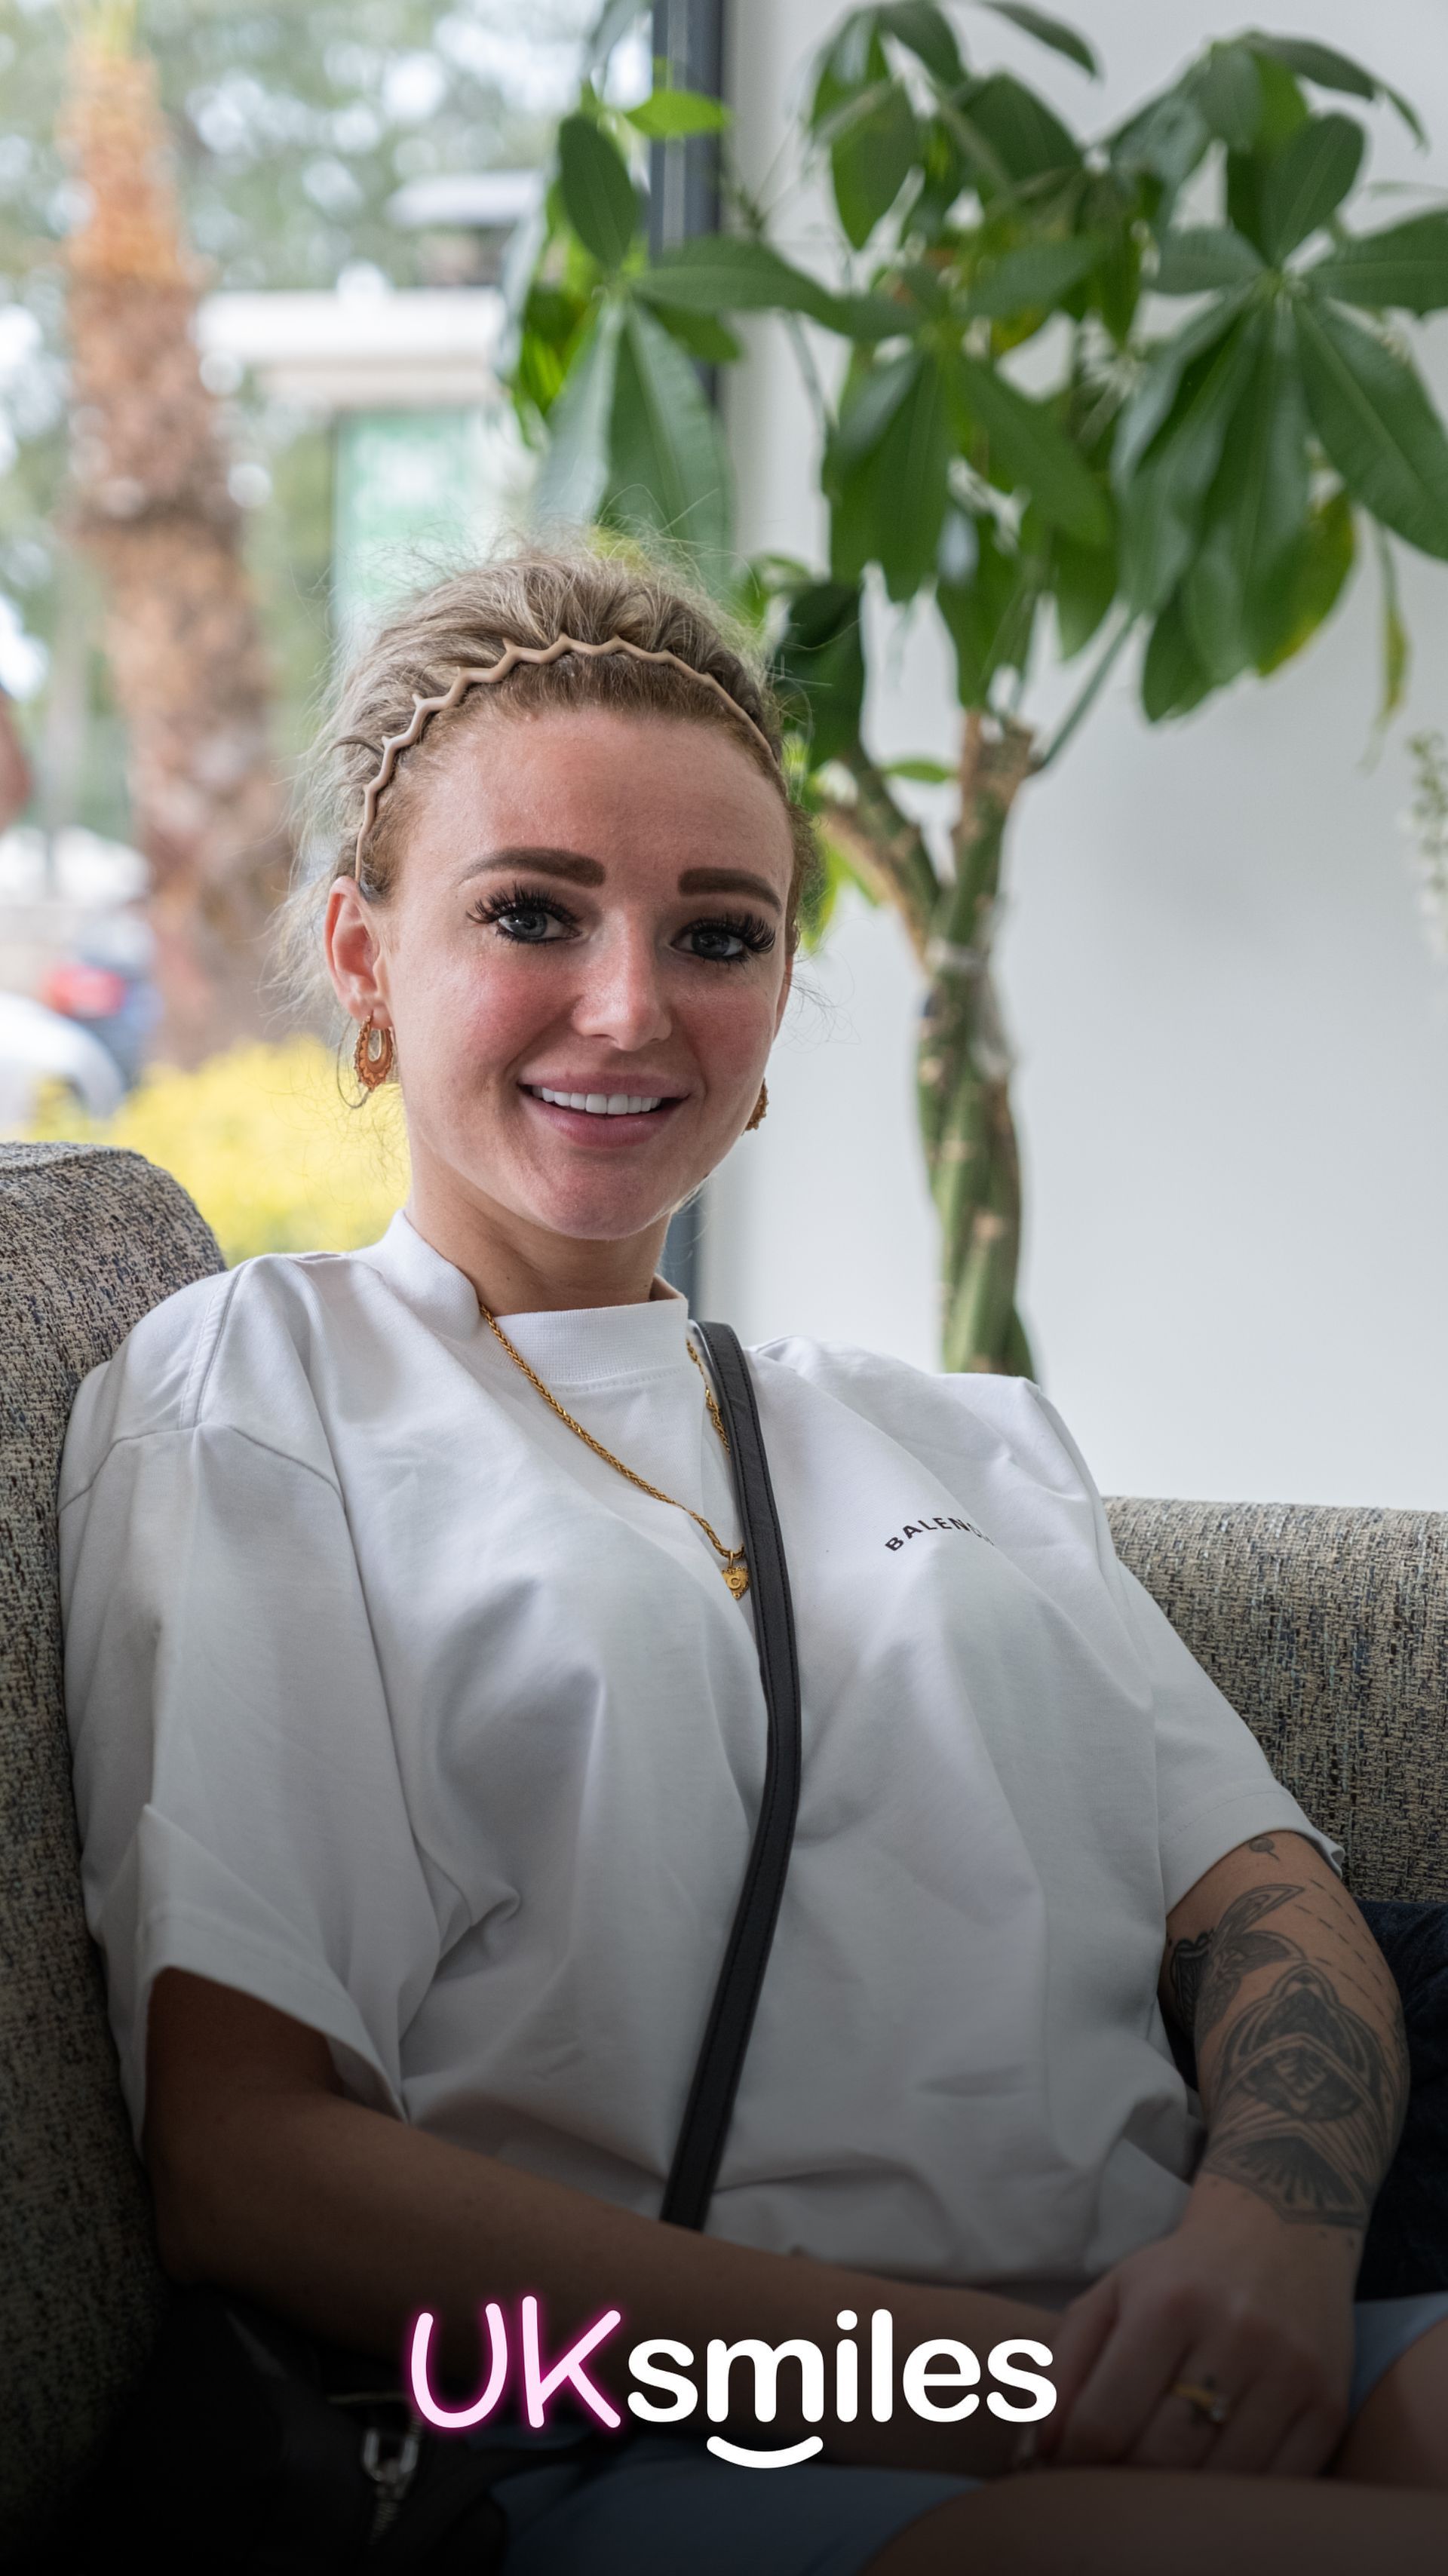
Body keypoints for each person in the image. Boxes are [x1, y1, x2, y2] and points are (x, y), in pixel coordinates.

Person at [60, 550, 1448, 2575]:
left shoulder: (943, 1425)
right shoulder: (266, 1390)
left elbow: (1270, 1906)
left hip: (1200, 2348)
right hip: (695, 2460)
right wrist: (987, 2382)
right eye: (531, 912)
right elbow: (253, 2167)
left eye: (721, 933)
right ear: (363, 960)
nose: (631, 1006)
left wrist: (1275, 2239)